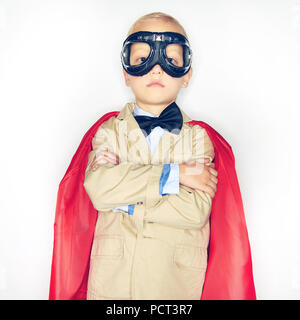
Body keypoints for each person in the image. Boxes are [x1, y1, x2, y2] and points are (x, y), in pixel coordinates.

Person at [49, 12, 256, 300]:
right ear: (125, 73)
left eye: (171, 60)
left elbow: (194, 212)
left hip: (174, 286)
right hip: (112, 284)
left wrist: (125, 201)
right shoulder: (109, 131)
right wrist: (177, 175)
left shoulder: (199, 138)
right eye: (141, 60)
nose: (156, 69)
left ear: (187, 75)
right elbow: (99, 190)